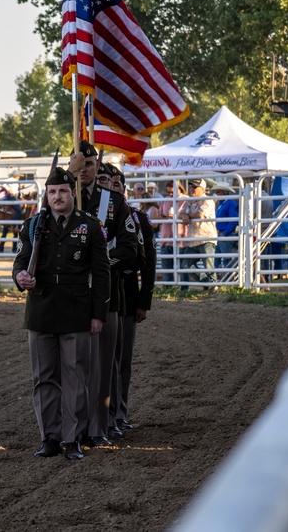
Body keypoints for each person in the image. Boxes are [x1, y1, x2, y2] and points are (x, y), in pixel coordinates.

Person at [12, 166, 110, 460]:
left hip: (77, 309)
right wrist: (20, 278)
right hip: (41, 309)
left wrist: (98, 315)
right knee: (43, 378)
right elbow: (20, 262)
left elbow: (102, 273)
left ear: (73, 193)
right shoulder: (32, 225)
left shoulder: (90, 226)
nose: (57, 197)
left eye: (63, 191)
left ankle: (73, 438)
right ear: (46, 194)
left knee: (76, 377)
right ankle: (49, 438)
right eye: (52, 192)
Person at [67, 146, 140, 446]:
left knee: (103, 366)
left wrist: (100, 263)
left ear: (98, 165)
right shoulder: (61, 197)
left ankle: (101, 426)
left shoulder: (114, 202)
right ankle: (70, 426)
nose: (84, 169)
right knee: (71, 365)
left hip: (106, 294)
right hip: (68, 296)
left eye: (89, 163)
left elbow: (129, 247)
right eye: (78, 164)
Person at [107, 167, 156, 435]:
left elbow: (148, 262)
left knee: (121, 360)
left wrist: (143, 300)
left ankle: (119, 412)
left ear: (123, 190)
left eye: (116, 185)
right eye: (107, 183)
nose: (112, 188)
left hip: (126, 294)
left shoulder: (137, 219)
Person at [179, 178, 216, 289]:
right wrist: (184, 215)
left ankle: (212, 284)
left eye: (194, 187)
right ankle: (208, 283)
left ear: (202, 189)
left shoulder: (207, 200)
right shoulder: (189, 201)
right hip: (192, 239)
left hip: (206, 238)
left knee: (208, 266)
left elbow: (200, 215)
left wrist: (187, 215)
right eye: (191, 187)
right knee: (185, 265)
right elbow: (180, 213)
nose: (191, 189)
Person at [154, 180, 186, 283]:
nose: (170, 194)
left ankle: (184, 287)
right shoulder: (165, 200)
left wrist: (171, 216)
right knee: (167, 266)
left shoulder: (186, 200)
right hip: (166, 237)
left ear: (179, 189)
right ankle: (168, 286)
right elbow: (159, 215)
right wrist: (165, 216)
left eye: (172, 192)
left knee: (183, 266)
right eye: (168, 192)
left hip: (181, 238)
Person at [212, 183, 239, 283]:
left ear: (225, 192)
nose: (216, 194)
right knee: (218, 257)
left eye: (218, 192)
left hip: (225, 233)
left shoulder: (230, 203)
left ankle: (228, 278)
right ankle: (220, 278)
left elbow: (234, 219)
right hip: (220, 233)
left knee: (225, 257)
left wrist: (226, 232)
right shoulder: (221, 203)